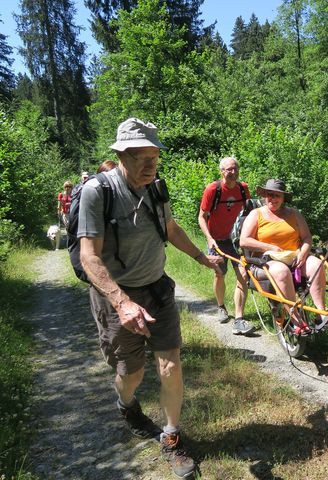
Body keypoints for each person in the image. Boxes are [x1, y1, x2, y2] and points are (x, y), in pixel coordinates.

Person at [78, 117, 222, 478]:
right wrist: (122, 302)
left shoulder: (157, 187)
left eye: (154, 158)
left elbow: (170, 227)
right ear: (121, 155)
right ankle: (126, 405)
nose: (149, 166)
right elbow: (88, 255)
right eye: (141, 158)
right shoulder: (99, 191)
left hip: (157, 288)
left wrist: (201, 258)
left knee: (170, 364)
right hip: (117, 296)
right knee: (131, 373)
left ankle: (171, 436)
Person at [240, 178, 328, 334]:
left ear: (283, 198)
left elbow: (307, 238)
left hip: (294, 258)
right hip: (264, 261)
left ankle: (321, 313)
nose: (272, 199)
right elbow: (244, 240)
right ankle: (296, 320)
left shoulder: (294, 214)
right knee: (282, 271)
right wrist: (270, 247)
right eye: (269, 194)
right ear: (264, 196)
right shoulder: (256, 214)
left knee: (317, 264)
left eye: (277, 195)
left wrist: (303, 252)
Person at [198, 157, 253, 335]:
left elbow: (250, 214)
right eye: (229, 169)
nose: (233, 172)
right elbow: (202, 216)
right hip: (217, 240)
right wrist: (209, 238)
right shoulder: (213, 189)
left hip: (237, 240)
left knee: (243, 275)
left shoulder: (243, 189)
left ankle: (239, 318)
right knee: (220, 273)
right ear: (222, 171)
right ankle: (221, 306)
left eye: (235, 168)